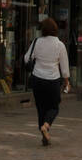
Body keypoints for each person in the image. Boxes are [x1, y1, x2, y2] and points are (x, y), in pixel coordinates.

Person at [25, 16, 71, 146]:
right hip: (52, 80)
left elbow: (26, 58)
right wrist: (67, 82)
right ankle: (46, 125)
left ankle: (43, 134)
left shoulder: (37, 42)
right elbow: (64, 66)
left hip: (37, 79)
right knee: (54, 107)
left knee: (41, 107)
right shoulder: (60, 45)